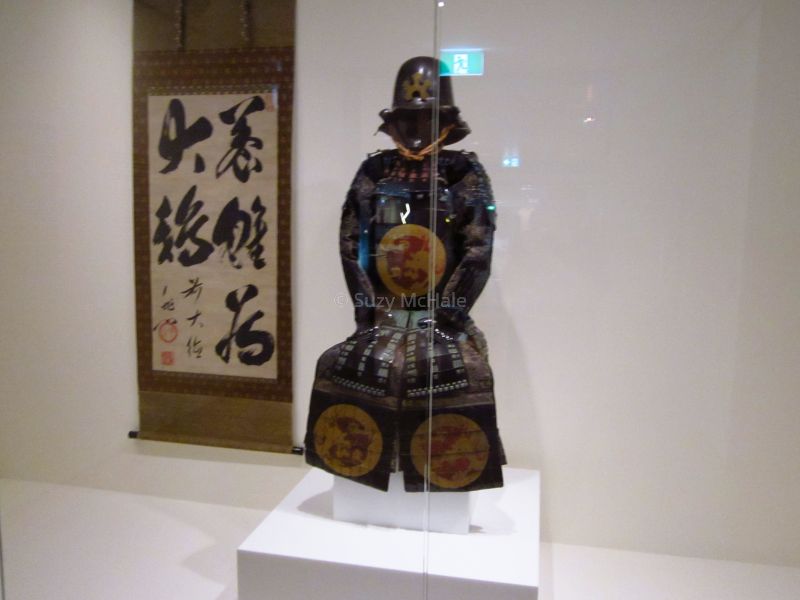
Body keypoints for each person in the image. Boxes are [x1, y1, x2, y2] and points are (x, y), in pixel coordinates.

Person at [304, 56, 504, 492]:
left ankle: (440, 487)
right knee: (343, 365)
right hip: (384, 313)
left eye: (425, 119)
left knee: (455, 371)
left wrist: (449, 316)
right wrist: (367, 314)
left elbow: (477, 250)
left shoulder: (462, 173)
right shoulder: (374, 172)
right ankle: (364, 479)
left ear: (446, 121)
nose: (415, 130)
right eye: (408, 119)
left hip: (445, 315)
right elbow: (351, 245)